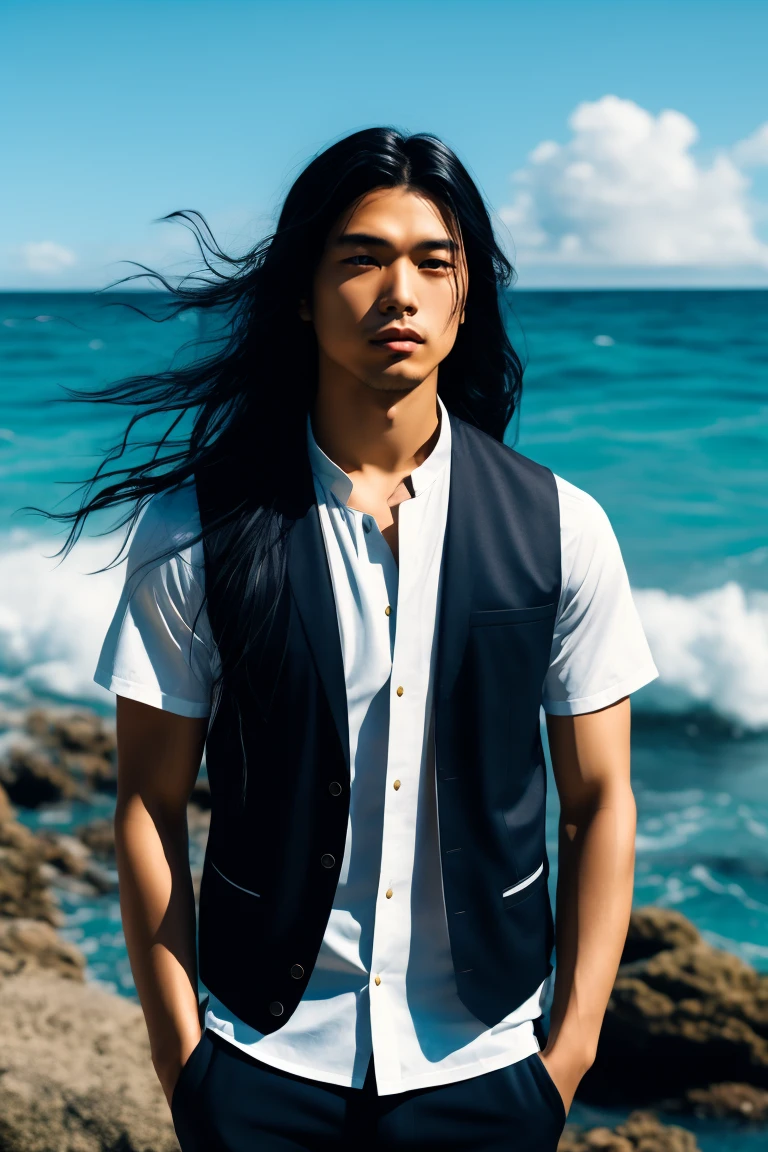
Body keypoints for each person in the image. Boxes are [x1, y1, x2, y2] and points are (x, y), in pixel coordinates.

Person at [54, 128, 658, 1150]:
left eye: (434, 260)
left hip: (489, 1067)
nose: (400, 292)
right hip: (260, 1063)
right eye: (361, 258)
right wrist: (181, 1058)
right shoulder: (195, 530)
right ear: (302, 292)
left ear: (468, 297)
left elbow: (599, 801)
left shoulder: (564, 527)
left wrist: (571, 1054)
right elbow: (149, 806)